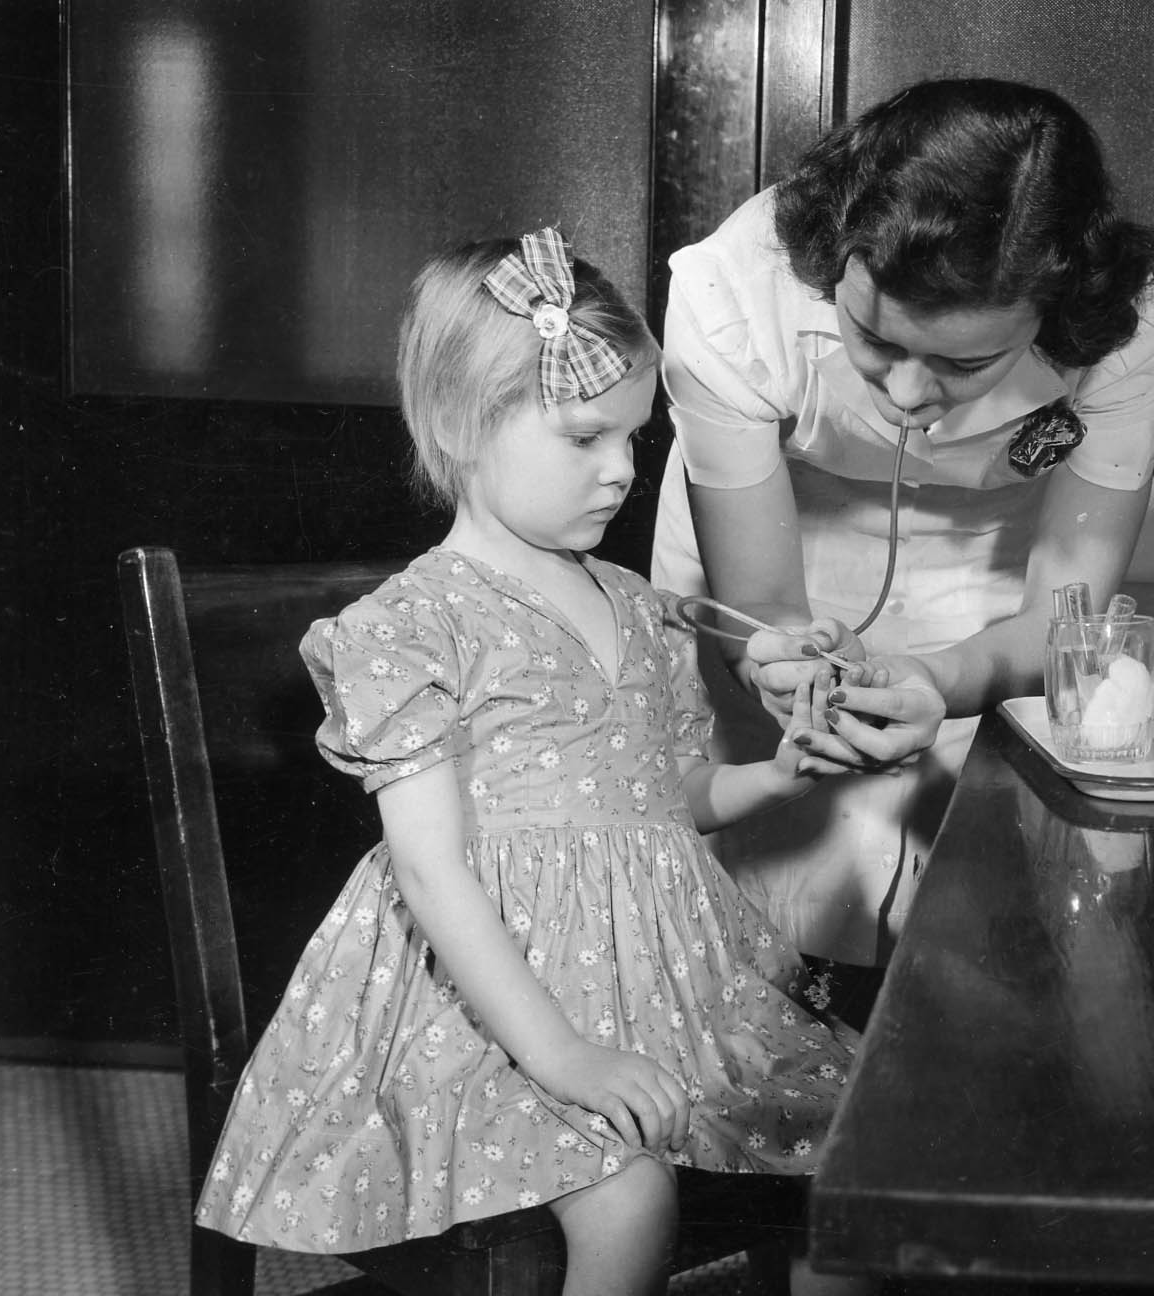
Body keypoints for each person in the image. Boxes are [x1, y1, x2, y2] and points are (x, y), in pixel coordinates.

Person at [194, 229, 867, 1296]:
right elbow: (429, 870)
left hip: (663, 992)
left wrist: (781, 774)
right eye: (586, 436)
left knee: (857, 1147)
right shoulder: (412, 627)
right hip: (483, 1010)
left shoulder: (641, 610)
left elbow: (668, 798)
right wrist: (564, 1059)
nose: (623, 470)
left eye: (637, 440)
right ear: (461, 427)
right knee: (624, 1187)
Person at [651, 78, 1154, 1004]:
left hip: (989, 571)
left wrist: (937, 680)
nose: (905, 394)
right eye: (874, 337)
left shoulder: (1134, 325)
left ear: (1055, 309)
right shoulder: (730, 289)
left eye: (961, 362)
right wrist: (783, 665)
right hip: (785, 535)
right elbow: (767, 610)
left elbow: (1059, 623)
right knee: (762, 919)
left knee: (966, 932)